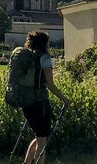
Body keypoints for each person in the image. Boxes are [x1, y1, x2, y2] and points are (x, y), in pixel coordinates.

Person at [21, 30, 69, 164]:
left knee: (38, 136)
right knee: (42, 142)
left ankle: (26, 163)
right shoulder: (45, 58)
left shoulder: (27, 57)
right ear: (44, 44)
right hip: (40, 102)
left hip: (25, 101)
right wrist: (64, 99)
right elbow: (50, 84)